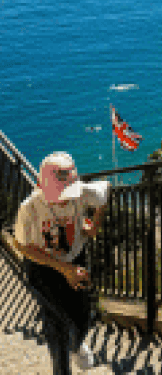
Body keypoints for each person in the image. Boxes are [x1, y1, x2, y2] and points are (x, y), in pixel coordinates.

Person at [13, 151, 110, 371]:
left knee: (85, 314)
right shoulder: (29, 208)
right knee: (58, 325)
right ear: (41, 185)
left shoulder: (83, 193)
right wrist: (63, 269)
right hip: (42, 269)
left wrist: (94, 225)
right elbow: (21, 246)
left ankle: (77, 344)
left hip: (76, 260)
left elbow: (105, 191)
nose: (65, 197)